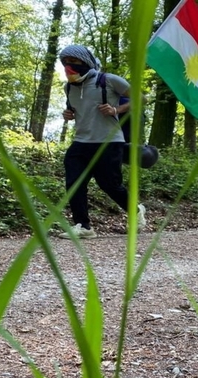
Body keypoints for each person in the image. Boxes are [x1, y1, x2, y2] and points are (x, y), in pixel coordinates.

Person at [58, 45, 145, 239]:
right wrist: (68, 114)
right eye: (65, 62)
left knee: (109, 185)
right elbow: (75, 109)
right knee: (74, 182)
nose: (69, 66)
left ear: (86, 62)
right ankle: (83, 226)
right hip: (81, 141)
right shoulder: (69, 86)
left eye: (74, 62)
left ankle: (136, 210)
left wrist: (116, 110)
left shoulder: (109, 80)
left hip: (108, 141)